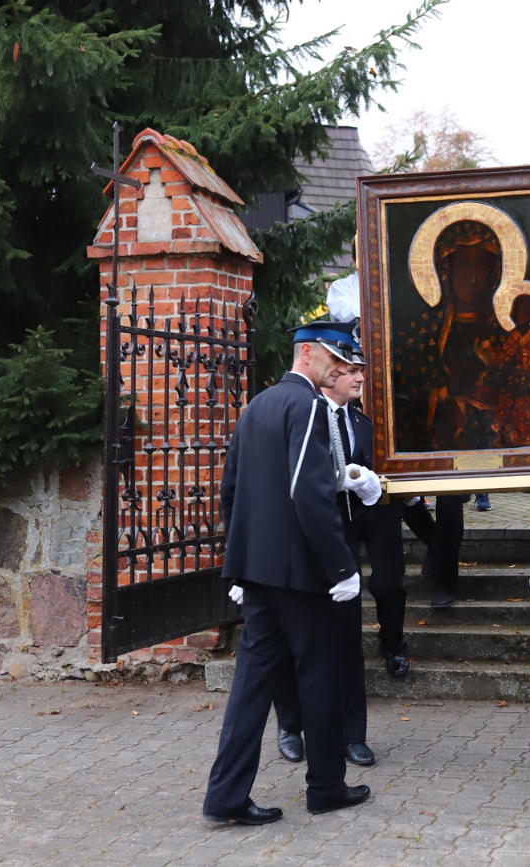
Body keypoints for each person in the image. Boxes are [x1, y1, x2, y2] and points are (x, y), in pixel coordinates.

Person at [203, 320, 372, 824]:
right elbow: (308, 493)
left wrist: (237, 566)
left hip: (260, 574)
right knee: (319, 677)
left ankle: (225, 797)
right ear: (306, 354)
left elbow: (232, 490)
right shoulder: (308, 405)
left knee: (251, 687)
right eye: (333, 358)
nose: (341, 368)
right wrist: (342, 566)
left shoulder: (258, 405)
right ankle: (325, 787)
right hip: (300, 575)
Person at [272, 352, 402, 769]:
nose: (359, 377)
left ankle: (352, 734)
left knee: (347, 639)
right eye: (350, 369)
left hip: (342, 538)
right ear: (327, 374)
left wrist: (368, 490)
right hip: (297, 540)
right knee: (292, 640)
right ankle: (291, 726)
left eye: (361, 370)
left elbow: (371, 481)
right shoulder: (302, 412)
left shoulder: (360, 422)